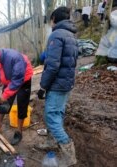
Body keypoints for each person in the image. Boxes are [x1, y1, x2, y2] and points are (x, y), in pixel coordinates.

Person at [34, 7, 78, 166]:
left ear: (54, 19)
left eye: (50, 20)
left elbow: (52, 66)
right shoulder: (71, 35)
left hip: (57, 84)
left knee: (52, 117)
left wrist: (43, 87)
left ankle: (69, 156)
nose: (50, 23)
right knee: (55, 114)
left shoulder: (56, 35)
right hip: (66, 83)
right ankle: (51, 142)